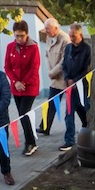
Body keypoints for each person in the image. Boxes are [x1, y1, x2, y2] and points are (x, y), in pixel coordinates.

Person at [5, 20, 40, 156]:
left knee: (24, 113)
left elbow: (34, 68)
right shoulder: (10, 47)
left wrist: (23, 83)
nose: (19, 39)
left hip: (29, 86)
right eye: (17, 36)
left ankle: (30, 143)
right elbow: (7, 67)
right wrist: (15, 82)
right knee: (22, 116)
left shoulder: (34, 47)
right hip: (16, 87)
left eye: (22, 36)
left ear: (27, 34)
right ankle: (32, 141)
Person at [62, 23, 92, 151]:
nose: (71, 39)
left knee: (85, 110)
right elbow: (64, 65)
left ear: (80, 35)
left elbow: (88, 69)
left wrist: (76, 81)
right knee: (69, 113)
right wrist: (67, 79)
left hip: (83, 86)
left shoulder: (87, 49)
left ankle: (89, 135)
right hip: (70, 86)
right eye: (70, 36)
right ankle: (69, 140)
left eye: (73, 36)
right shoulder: (68, 48)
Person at [42, 18, 69, 140]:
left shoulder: (65, 39)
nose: (46, 31)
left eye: (48, 28)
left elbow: (65, 60)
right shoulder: (49, 38)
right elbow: (47, 56)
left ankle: (86, 123)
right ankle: (45, 127)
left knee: (76, 105)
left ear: (56, 28)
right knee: (51, 102)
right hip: (54, 77)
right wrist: (49, 71)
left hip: (64, 77)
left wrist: (53, 72)